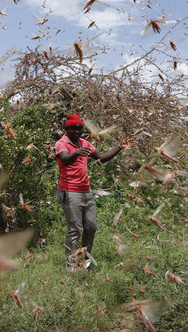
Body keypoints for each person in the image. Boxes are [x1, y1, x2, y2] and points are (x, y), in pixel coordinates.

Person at [54, 114, 133, 270]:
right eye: (73, 128)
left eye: (79, 128)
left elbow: (102, 158)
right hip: (70, 191)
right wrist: (77, 153)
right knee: (74, 228)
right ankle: (71, 266)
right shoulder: (61, 143)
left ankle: (87, 263)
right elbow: (65, 159)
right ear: (67, 129)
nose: (77, 131)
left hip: (86, 191)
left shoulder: (84, 143)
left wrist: (120, 146)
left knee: (91, 227)